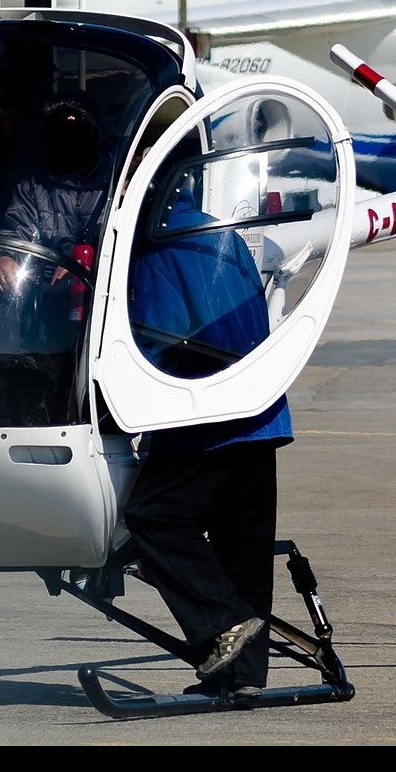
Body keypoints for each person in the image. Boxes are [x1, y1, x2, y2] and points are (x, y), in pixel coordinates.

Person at [121, 169, 291, 701]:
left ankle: (223, 624)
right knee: (244, 545)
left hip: (205, 419)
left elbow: (154, 343)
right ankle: (243, 678)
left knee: (153, 514)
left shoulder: (157, 251)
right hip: (261, 414)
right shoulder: (227, 239)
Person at [0, 95, 110, 422]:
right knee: (6, 281)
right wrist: (3, 256)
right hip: (41, 283)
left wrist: (82, 259)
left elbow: (120, 231)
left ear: (92, 136)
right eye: (58, 133)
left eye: (74, 130)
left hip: (99, 282)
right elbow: (15, 228)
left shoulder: (116, 181)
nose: (66, 140)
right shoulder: (34, 186)